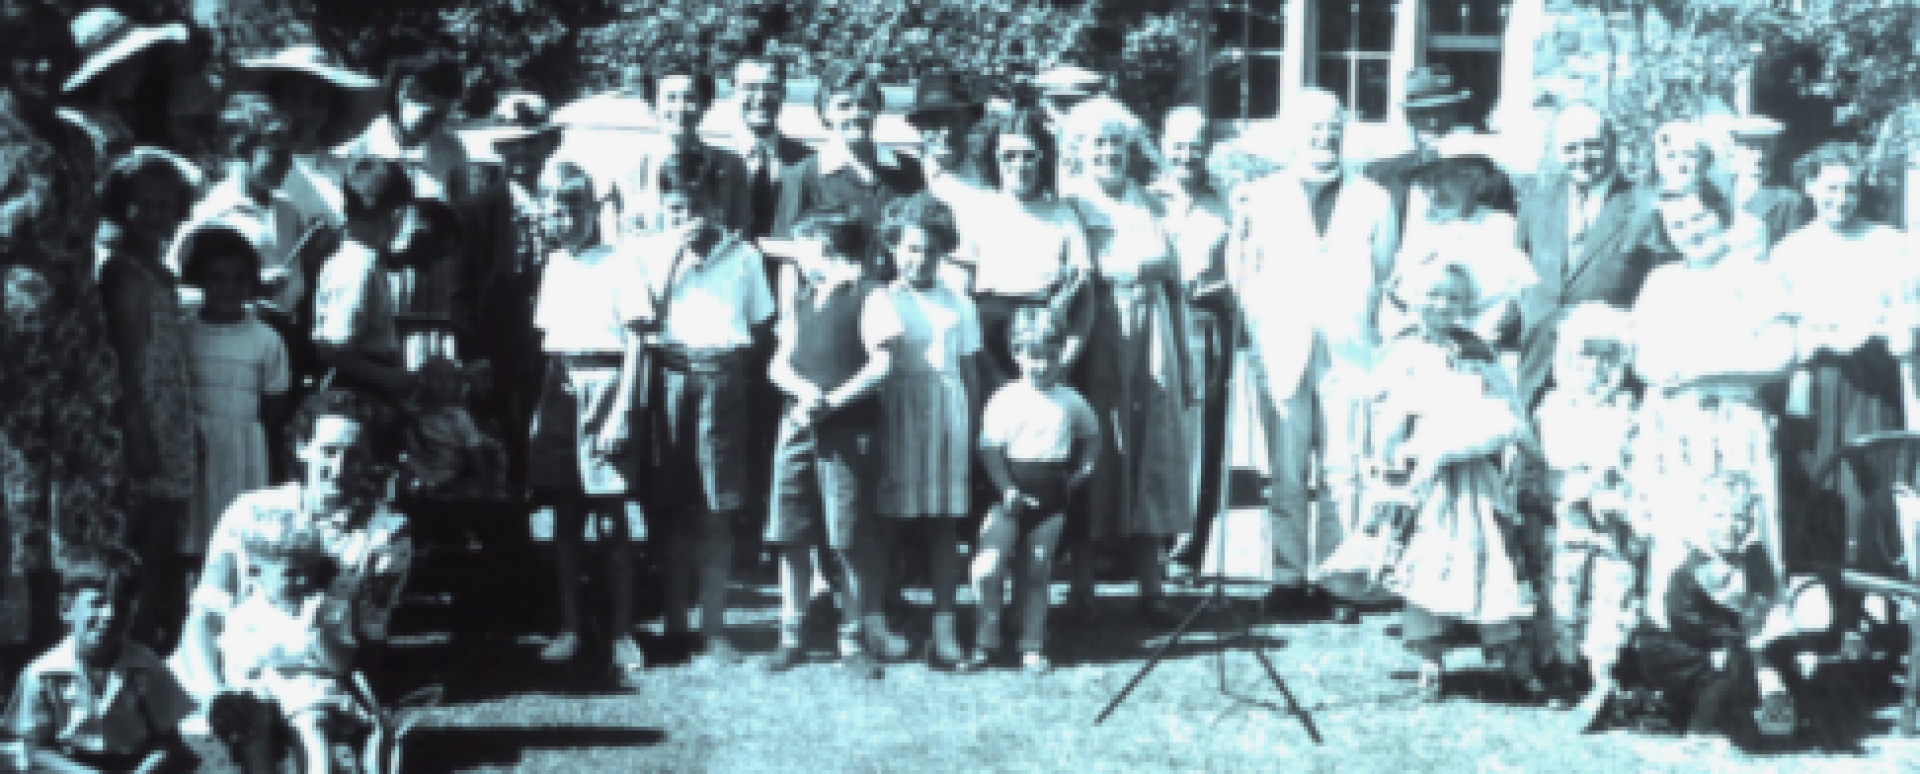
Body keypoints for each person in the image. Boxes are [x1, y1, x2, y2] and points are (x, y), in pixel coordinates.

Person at [1324, 261, 1540, 702]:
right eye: (1433, 297)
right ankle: (1430, 659)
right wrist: (1392, 461)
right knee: (1426, 558)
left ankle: (1507, 653)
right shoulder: (1400, 351)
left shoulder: (1476, 349)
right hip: (1423, 475)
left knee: (1487, 556)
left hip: (1474, 477)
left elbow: (1505, 407)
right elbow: (1384, 414)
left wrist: (1493, 433)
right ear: (1412, 300)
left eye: (1453, 299)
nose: (1443, 306)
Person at [1230, 88, 1397, 618]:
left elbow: (1387, 274)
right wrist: (1262, 324)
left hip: (1349, 348)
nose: (1323, 136)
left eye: (1332, 126)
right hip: (1282, 347)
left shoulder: (1374, 198)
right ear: (1292, 134)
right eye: (1312, 127)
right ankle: (1285, 574)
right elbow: (1241, 274)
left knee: (1344, 467)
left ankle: (1337, 577)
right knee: (1284, 466)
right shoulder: (1259, 196)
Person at [175, 389, 413, 716]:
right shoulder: (250, 511)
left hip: (319, 675)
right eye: (328, 451)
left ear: (371, 460)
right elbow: (204, 616)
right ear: (303, 448)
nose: (339, 467)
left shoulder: (386, 533)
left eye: (354, 455)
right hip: (234, 666)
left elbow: (371, 638)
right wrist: (215, 693)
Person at [633, 154, 776, 666]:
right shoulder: (648, 252)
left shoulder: (744, 256)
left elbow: (760, 326)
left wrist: (727, 371)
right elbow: (643, 315)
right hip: (669, 376)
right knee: (673, 507)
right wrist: (672, 253)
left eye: (695, 206)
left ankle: (713, 627)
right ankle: (674, 622)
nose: (686, 217)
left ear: (714, 204)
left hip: (723, 378)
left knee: (718, 508)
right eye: (674, 208)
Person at [1059, 95, 1196, 626]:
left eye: (1115, 143)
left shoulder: (1148, 201)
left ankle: (1151, 582)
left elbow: (1171, 268)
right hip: (1097, 333)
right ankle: (1083, 583)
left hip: (1151, 335)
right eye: (1097, 143)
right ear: (1079, 149)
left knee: (1152, 446)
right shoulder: (1072, 202)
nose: (1107, 153)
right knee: (1096, 444)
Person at [1631, 186, 1796, 583]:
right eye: (1678, 225)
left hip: (1733, 422)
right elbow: (1642, 358)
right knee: (1675, 528)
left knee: (1739, 528)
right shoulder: (1660, 281)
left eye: (1699, 218)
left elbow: (1782, 355)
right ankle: (1679, 633)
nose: (1691, 231)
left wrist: (1700, 371)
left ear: (1722, 215)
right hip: (1671, 425)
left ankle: (1748, 631)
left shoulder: (1756, 274)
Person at [762, 209, 900, 678]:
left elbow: (882, 364)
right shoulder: (803, 298)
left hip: (849, 432)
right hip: (797, 426)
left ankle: (851, 639)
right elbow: (778, 364)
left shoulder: (870, 295)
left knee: (849, 538)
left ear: (824, 245)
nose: (796, 258)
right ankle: (791, 633)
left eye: (801, 246)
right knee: (791, 532)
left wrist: (834, 402)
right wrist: (804, 394)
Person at [527, 162, 649, 680]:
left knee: (614, 520)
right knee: (566, 518)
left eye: (576, 206)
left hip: (607, 387)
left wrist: (622, 409)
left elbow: (638, 343)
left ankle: (621, 632)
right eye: (557, 207)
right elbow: (550, 345)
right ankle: (571, 627)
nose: (566, 216)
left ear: (592, 211)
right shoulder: (553, 265)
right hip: (560, 389)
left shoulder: (621, 262)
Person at [1771, 142, 1916, 571]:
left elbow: (1910, 309)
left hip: (1873, 379)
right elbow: (1780, 319)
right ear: (1810, 187)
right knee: (1820, 478)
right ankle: (1826, 595)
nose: (1841, 199)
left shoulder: (1891, 243)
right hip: (1816, 380)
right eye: (1830, 188)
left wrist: (1891, 327)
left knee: (1874, 477)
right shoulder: (1791, 250)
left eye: (1849, 189)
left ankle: (1876, 593)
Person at [1629, 472, 1840, 747]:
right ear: (1702, 519)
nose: (1730, 526)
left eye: (1738, 517)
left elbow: (1765, 603)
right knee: (1727, 666)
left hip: (1726, 637)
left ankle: (1772, 713)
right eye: (1719, 516)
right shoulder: (1694, 568)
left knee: (1774, 654)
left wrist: (1776, 634)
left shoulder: (1751, 559)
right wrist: (1733, 641)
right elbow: (1685, 620)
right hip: (1678, 645)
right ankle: (1701, 729)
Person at [95, 147, 202, 649]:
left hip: (173, 419)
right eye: (145, 203)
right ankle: (120, 645)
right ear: (123, 206)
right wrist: (138, 433)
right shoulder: (124, 273)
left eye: (167, 203)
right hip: (146, 425)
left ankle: (143, 652)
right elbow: (127, 363)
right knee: (134, 547)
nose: (158, 214)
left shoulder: (160, 270)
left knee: (162, 545)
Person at [870, 198, 982, 668]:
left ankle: (944, 628)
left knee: (944, 525)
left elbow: (970, 371)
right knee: (886, 523)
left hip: (946, 414)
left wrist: (973, 430)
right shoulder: (882, 299)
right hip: (895, 411)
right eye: (911, 249)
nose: (919, 260)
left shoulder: (959, 302)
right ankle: (876, 621)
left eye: (930, 251)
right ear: (894, 248)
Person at [968, 314, 1101, 674]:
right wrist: (1007, 488)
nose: (1042, 365)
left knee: (1038, 571)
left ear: (1061, 356)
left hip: (1051, 497)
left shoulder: (1070, 400)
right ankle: (987, 638)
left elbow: (1091, 433)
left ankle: (1032, 644)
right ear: (1017, 354)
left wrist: (1084, 469)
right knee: (987, 568)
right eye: (1034, 356)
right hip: (1006, 493)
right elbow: (989, 448)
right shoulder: (1004, 398)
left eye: (1050, 356)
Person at [1531, 302, 1645, 719]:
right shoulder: (1555, 408)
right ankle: (1562, 664)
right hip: (1565, 518)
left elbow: (1637, 461)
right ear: (1565, 361)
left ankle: (1604, 668)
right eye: (1584, 360)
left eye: (1609, 361)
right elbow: (1551, 458)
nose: (1595, 372)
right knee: (1562, 589)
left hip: (1613, 521)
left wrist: (1619, 493)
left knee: (1612, 589)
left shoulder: (1629, 410)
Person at [1514, 102, 1658, 410]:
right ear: (1556, 151)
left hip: (1608, 369)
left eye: (1593, 145)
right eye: (1570, 148)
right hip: (1539, 367)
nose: (1582, 157)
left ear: (1611, 145)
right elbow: (1518, 277)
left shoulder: (1645, 206)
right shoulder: (1535, 203)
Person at [5, 546, 198, 774]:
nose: (110, 615)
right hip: (69, 768)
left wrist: (143, 770)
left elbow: (169, 740)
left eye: (122, 606)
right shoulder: (42, 674)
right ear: (66, 609)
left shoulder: (147, 668)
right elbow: (35, 750)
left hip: (138, 766)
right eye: (97, 603)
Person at [214, 512, 378, 774]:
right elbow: (236, 665)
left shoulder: (324, 608)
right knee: (256, 725)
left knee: (308, 724)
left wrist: (317, 633)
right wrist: (247, 684)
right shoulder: (246, 614)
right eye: (290, 573)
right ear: (256, 572)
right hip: (266, 693)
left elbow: (341, 665)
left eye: (309, 571)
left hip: (313, 691)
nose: (303, 581)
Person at [176, 216, 293, 582]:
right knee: (193, 532)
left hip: (244, 448)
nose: (229, 288)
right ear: (200, 280)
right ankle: (189, 609)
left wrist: (248, 433)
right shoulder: (183, 333)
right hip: (194, 448)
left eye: (239, 279)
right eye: (217, 278)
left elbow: (276, 398)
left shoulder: (266, 339)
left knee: (241, 535)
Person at [1146, 106, 1234, 577]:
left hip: (1205, 317)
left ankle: (1190, 550)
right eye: (1178, 144)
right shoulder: (1146, 199)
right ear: (1163, 145)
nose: (1187, 154)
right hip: (1156, 318)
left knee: (1205, 433)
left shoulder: (1225, 203)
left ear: (1209, 149)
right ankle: (1150, 544)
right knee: (1158, 429)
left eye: (1196, 145)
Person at [957, 107, 1095, 390]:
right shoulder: (975, 211)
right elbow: (962, 297)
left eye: (1028, 155)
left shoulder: (1063, 215)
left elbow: (1085, 301)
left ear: (1042, 157)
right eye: (1009, 155)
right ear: (995, 157)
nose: (1019, 164)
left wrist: (1066, 360)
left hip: (1050, 348)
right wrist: (986, 367)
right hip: (990, 347)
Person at [1380, 150, 1537, 370]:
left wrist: (1483, 339)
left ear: (1474, 179)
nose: (1434, 192)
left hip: (1488, 354)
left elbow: (1523, 298)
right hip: (1423, 353)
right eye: (1426, 183)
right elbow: (1396, 299)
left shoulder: (1502, 228)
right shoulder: (1420, 233)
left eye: (1443, 180)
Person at [771, 68, 926, 278]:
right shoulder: (802, 174)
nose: (856, 113)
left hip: (898, 295)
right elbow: (787, 254)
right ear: (825, 112)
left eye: (865, 104)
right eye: (844, 106)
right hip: (834, 297)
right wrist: (789, 310)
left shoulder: (909, 169)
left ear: (876, 109)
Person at [718, 54, 812, 242]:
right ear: (732, 91)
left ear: (783, 92)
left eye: (771, 88)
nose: (761, 98)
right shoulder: (712, 161)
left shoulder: (808, 162)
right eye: (750, 88)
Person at [1716, 115, 1806, 248]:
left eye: (1765, 147)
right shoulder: (1718, 192)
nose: (1758, 155)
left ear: (1774, 150)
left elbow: (1792, 250)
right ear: (1733, 148)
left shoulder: (1789, 201)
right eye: (1750, 147)